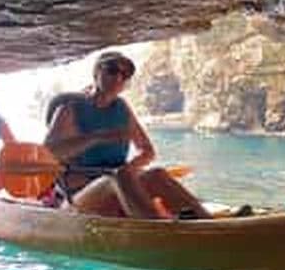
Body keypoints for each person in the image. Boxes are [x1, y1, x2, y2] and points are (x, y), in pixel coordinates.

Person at [45, 50, 211, 220]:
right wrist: (98, 137)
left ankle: (208, 222)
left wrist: (130, 169)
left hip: (118, 185)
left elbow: (147, 151)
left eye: (125, 74)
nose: (118, 77)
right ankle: (159, 230)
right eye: (112, 70)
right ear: (96, 72)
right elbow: (49, 153)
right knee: (118, 176)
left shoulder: (121, 108)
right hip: (77, 197)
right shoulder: (70, 108)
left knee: (156, 174)